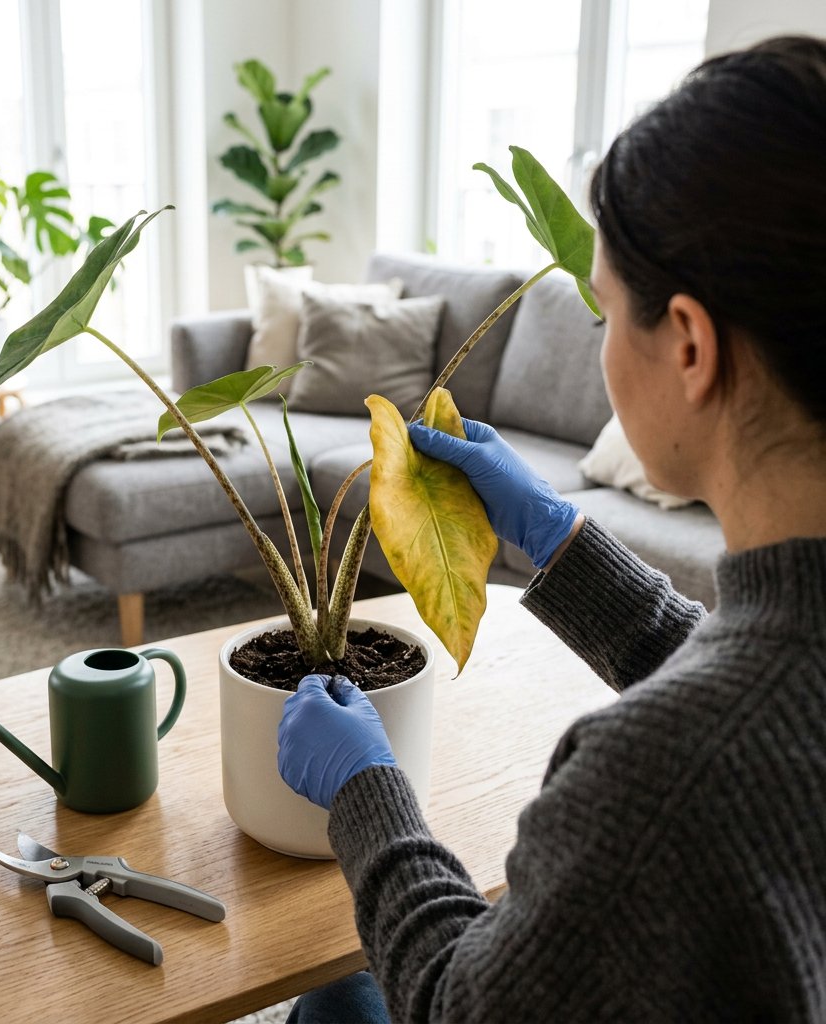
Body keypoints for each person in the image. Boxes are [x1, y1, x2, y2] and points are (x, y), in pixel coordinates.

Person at [276, 34, 826, 1023]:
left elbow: (457, 1004)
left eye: (605, 311)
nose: (603, 343)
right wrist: (556, 536)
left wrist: (368, 792)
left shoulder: (654, 777)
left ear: (691, 344)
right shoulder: (749, 718)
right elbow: (765, 696)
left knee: (335, 997)